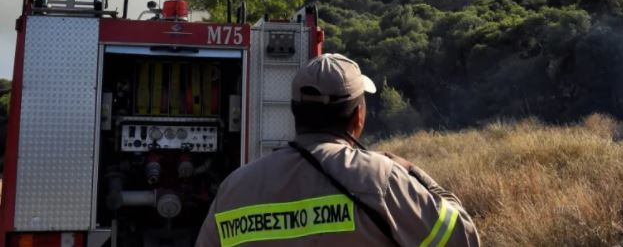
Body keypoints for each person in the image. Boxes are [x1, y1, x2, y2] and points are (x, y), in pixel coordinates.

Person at [196, 53, 481, 246]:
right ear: (358, 116)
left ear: (295, 112)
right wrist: (415, 173)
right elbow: (462, 237)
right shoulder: (382, 180)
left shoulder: (234, 189)